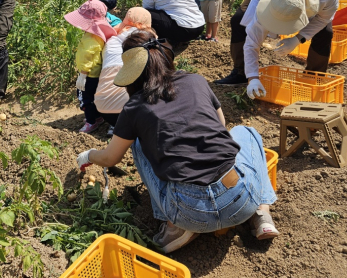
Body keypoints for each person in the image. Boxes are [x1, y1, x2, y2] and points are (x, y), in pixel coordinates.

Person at [76, 31, 279, 253]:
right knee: (245, 131)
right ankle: (261, 211)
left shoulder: (134, 107)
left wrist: (88, 155)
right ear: (165, 56)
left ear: (132, 71)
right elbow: (222, 130)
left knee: (136, 143)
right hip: (240, 203)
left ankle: (173, 227)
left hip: (189, 213)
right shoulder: (195, 80)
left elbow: (110, 158)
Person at [215, 0, 338, 88]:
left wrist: (298, 38)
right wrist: (253, 77)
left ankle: (314, 78)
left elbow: (323, 20)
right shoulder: (272, 0)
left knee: (325, 32)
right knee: (239, 19)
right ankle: (241, 73)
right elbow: (252, 42)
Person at [94, 7, 154, 136]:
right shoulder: (146, 39)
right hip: (129, 111)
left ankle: (115, 126)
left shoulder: (112, 40)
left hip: (103, 109)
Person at [64, 0, 117, 133]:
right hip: (96, 72)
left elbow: (88, 55)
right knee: (93, 96)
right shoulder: (97, 32)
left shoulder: (92, 37)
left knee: (85, 99)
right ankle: (97, 117)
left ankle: (91, 121)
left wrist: (83, 74)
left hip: (89, 73)